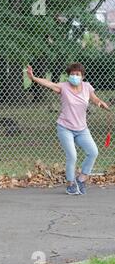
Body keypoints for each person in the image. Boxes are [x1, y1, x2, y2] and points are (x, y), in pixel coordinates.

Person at [27, 63, 109, 195]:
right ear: (68, 75)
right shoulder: (63, 87)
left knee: (93, 152)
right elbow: (49, 83)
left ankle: (81, 179)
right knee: (72, 155)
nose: (74, 76)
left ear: (82, 76)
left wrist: (100, 103)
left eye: (77, 74)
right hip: (65, 128)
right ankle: (71, 184)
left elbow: (94, 98)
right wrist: (33, 78)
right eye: (72, 74)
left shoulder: (87, 87)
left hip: (82, 129)